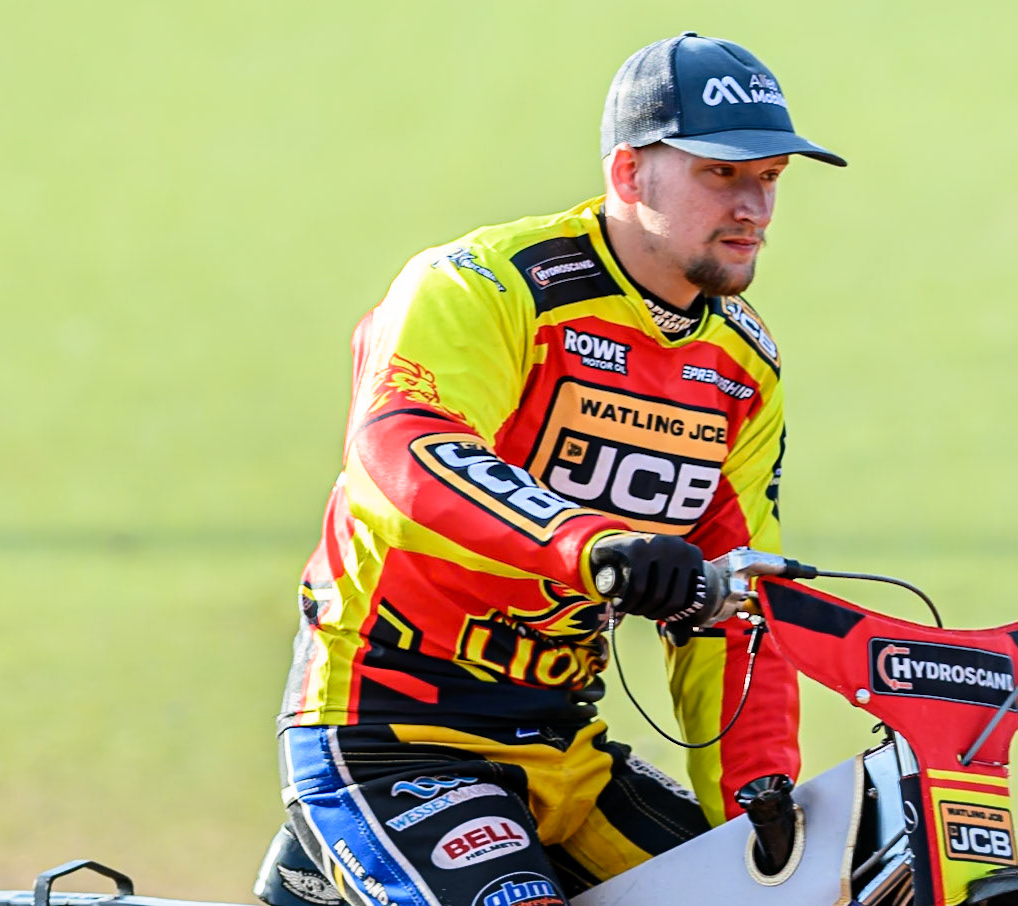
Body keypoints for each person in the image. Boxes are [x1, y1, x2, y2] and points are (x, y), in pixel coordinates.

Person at [255, 31, 845, 906]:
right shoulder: (484, 287)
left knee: (793, 898)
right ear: (628, 173)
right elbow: (402, 451)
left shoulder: (743, 367)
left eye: (769, 176)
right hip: (389, 734)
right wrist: (594, 545)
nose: (753, 206)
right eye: (721, 173)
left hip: (566, 749)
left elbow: (733, 605)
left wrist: (755, 796)